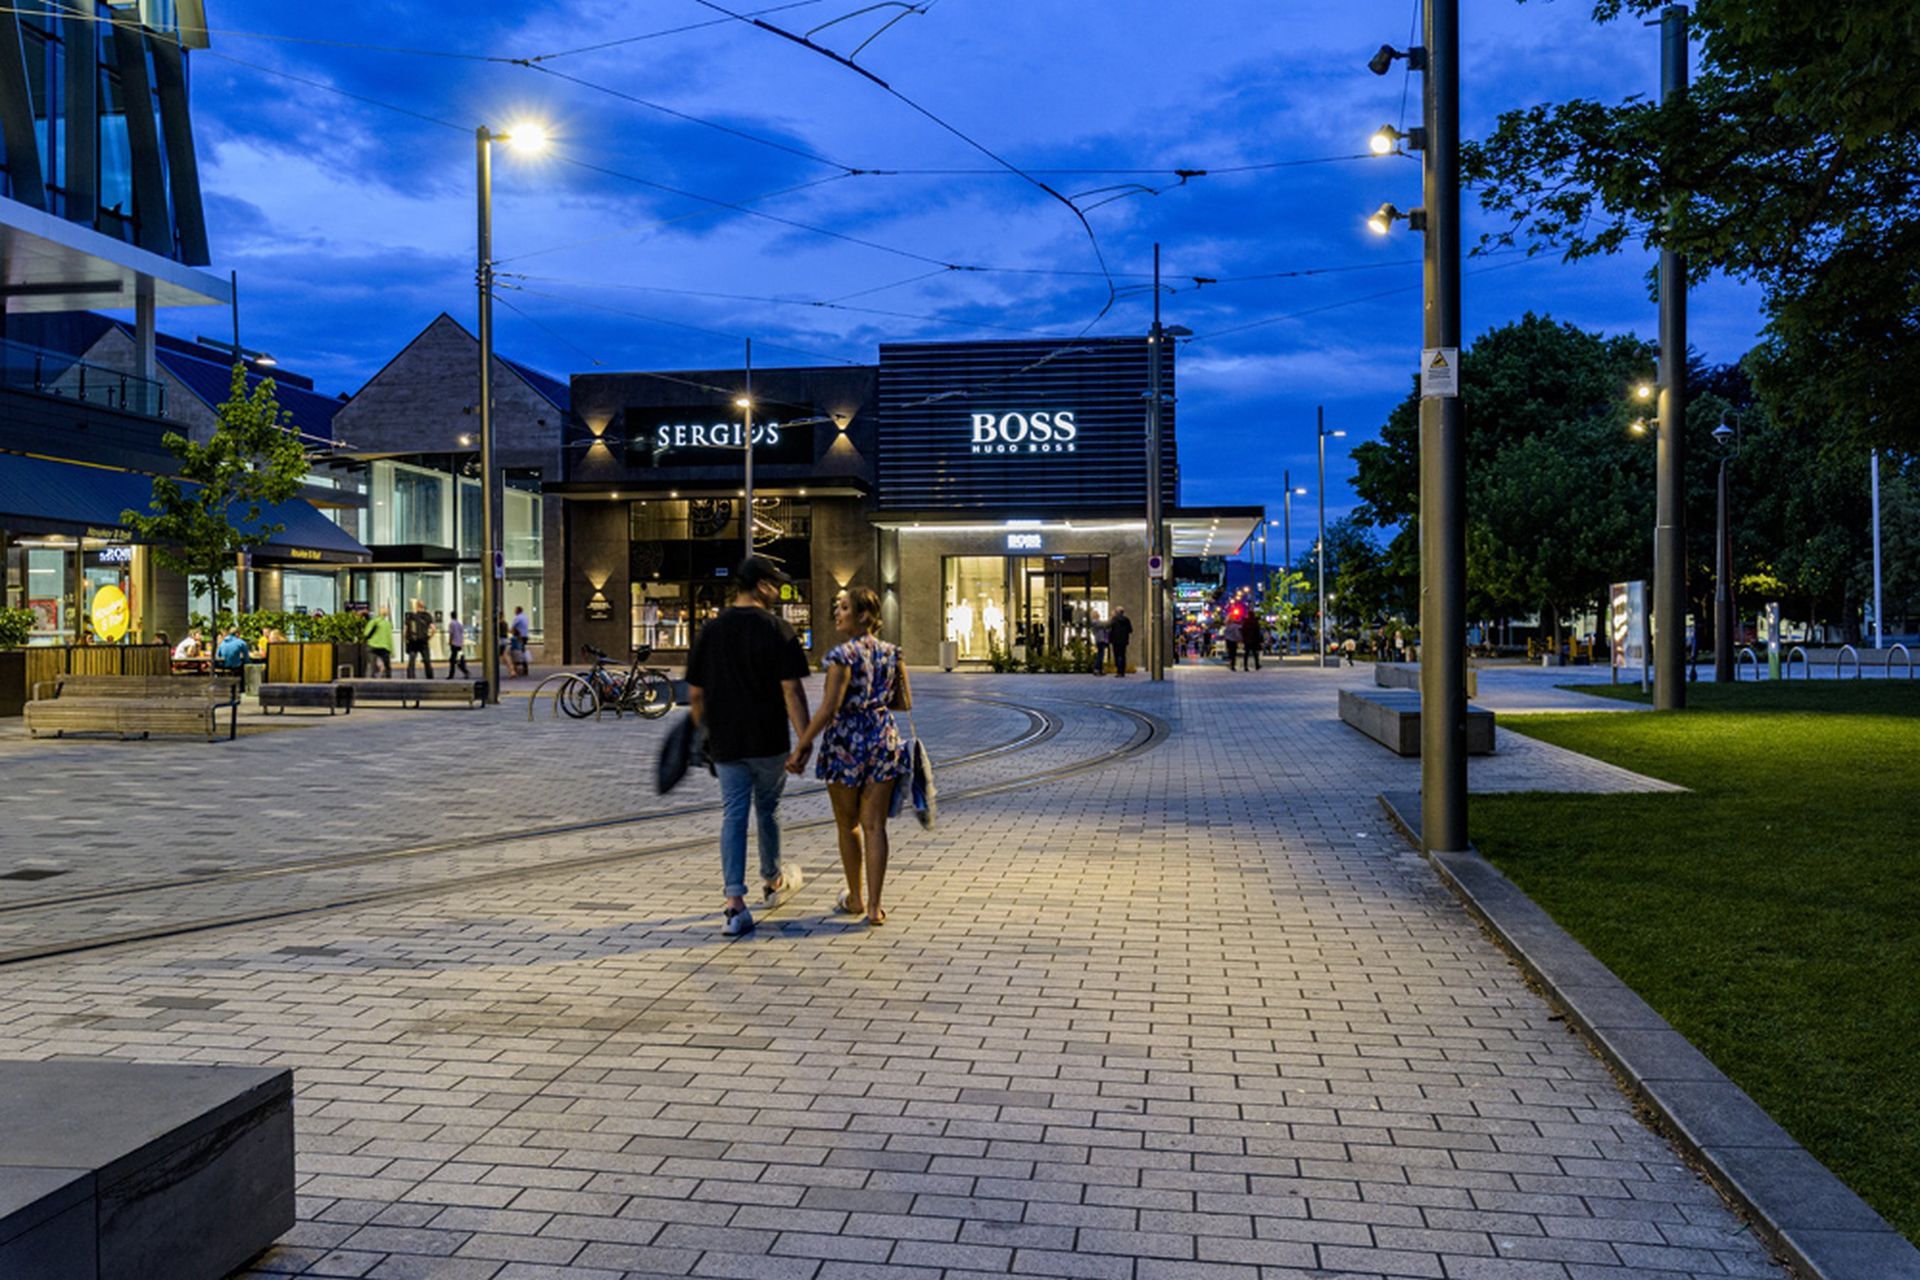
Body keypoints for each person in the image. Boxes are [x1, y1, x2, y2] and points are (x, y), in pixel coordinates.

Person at [686, 556, 813, 937]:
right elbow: (792, 691)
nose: (778, 591)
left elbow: (696, 695)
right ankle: (773, 880)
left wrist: (704, 735)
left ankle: (735, 904)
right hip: (769, 740)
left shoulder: (710, 630)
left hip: (727, 741)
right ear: (761, 586)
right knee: (768, 808)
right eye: (774, 584)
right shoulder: (778, 629)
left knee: (734, 814)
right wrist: (804, 741)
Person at [788, 587, 912, 927]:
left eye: (843, 607)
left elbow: (829, 707)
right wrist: (876, 703)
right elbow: (905, 702)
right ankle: (875, 907)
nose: (837, 613)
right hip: (883, 739)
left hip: (846, 743)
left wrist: (802, 746)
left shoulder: (842, 656)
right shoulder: (893, 653)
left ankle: (855, 898)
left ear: (863, 615)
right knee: (875, 826)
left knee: (848, 825)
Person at [403, 598, 435, 679]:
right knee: (427, 660)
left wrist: (406, 639)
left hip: (413, 641)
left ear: (416, 606)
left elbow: (405, 630)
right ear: (423, 606)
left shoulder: (410, 616)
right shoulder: (427, 616)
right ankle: (429, 676)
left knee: (412, 660)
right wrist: (429, 637)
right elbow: (433, 629)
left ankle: (411, 676)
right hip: (423, 641)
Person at [365, 606, 394, 678]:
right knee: (387, 666)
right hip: (384, 647)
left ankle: (368, 681)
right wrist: (392, 651)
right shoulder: (387, 624)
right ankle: (388, 680)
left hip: (372, 645)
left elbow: (366, 633)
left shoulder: (373, 622)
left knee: (371, 665)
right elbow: (389, 638)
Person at [1108, 606, 1133, 677]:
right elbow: (1130, 630)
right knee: (1123, 655)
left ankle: (1119, 670)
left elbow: (1109, 628)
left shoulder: (1114, 620)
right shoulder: (1127, 620)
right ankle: (1122, 671)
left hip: (1115, 640)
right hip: (1124, 640)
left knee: (1117, 655)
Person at [508, 606, 531, 677]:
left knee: (517, 651)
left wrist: (510, 631)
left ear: (518, 611)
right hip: (525, 636)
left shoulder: (517, 618)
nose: (514, 612)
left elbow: (513, 626)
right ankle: (525, 668)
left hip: (519, 636)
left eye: (515, 610)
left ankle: (517, 668)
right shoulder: (525, 617)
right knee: (522, 651)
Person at [446, 613, 469, 678]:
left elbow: (451, 634)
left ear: (451, 616)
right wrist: (461, 643)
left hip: (454, 644)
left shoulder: (451, 624)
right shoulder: (459, 624)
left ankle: (452, 674)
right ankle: (464, 670)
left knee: (453, 660)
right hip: (459, 644)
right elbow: (461, 634)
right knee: (457, 658)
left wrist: (450, 642)